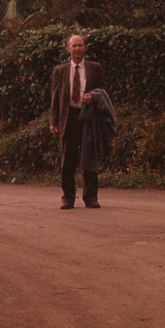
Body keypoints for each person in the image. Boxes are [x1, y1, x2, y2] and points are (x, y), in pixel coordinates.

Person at [49, 34, 108, 209]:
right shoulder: (60, 70)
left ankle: (90, 197)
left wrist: (94, 97)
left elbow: (103, 89)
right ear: (68, 49)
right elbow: (55, 98)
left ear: (85, 48)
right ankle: (67, 197)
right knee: (67, 160)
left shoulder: (95, 68)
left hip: (88, 118)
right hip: (68, 119)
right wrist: (53, 122)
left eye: (80, 45)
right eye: (73, 46)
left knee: (90, 158)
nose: (77, 49)